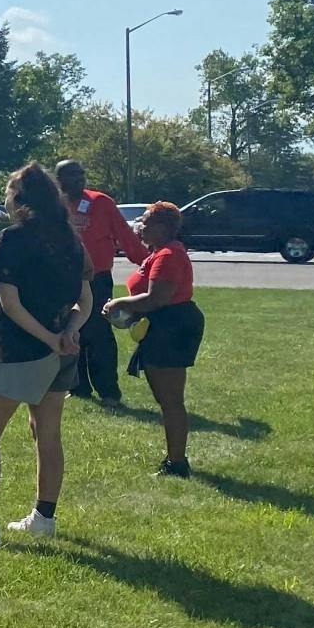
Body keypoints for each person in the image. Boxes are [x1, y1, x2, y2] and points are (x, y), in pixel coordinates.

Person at [0, 163, 92, 546]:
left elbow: (10, 304)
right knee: (48, 434)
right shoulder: (71, 240)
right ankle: (44, 518)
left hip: (15, 351)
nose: (6, 200)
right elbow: (86, 300)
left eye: (8, 193)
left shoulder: (12, 238)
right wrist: (67, 333)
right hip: (61, 352)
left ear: (20, 199)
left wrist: (47, 338)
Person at [104, 200, 207, 477]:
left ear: (163, 227)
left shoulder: (169, 254)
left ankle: (177, 463)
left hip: (172, 325)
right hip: (166, 323)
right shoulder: (160, 252)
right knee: (167, 399)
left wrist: (121, 304)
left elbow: (157, 298)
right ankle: (175, 458)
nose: (141, 226)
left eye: (146, 221)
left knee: (171, 400)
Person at [54, 158, 149, 404]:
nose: (79, 179)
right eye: (72, 175)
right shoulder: (53, 205)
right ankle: (77, 387)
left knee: (97, 334)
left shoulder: (100, 203)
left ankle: (108, 391)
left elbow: (126, 238)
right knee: (70, 332)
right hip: (63, 281)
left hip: (97, 280)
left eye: (81, 174)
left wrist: (150, 267)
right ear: (59, 180)